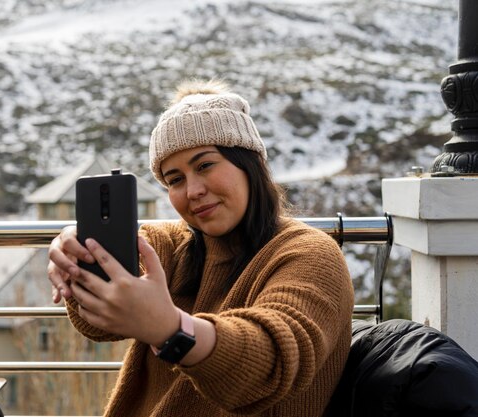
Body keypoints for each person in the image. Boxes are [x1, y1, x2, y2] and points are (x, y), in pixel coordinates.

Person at [47, 79, 354, 417]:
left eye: (205, 165)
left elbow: (270, 362)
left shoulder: (310, 255)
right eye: (175, 179)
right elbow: (98, 325)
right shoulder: (171, 245)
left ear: (250, 164)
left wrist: (170, 328)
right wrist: (79, 258)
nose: (192, 190)